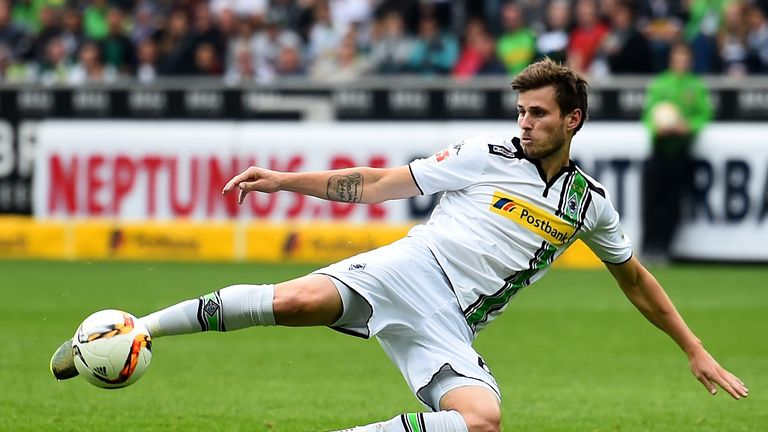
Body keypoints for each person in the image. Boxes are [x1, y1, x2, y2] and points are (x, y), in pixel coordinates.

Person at [51, 59, 747, 432]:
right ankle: (136, 330)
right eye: (521, 110)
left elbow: (635, 280)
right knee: (295, 300)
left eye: (539, 113)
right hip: (412, 265)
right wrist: (286, 181)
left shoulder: (587, 206)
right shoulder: (484, 154)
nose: (525, 122)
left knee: (482, 422)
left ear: (574, 119)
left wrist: (694, 348)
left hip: (451, 319)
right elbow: (378, 182)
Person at [641, 42, 712, 262]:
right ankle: (647, 246)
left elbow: (704, 115)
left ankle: (665, 248)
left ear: (690, 61)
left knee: (673, 203)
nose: (680, 61)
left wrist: (687, 126)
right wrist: (657, 128)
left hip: (680, 153)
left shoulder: (696, 86)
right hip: (658, 150)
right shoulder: (661, 84)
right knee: (651, 200)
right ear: (671, 59)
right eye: (677, 57)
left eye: (684, 57)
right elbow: (648, 115)